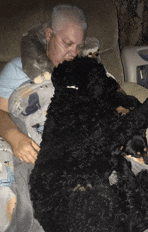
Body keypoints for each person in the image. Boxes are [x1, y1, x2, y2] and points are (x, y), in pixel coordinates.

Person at [0, 4, 87, 164]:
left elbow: (115, 99)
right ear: (49, 35)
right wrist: (15, 138)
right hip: (34, 152)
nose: (74, 53)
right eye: (67, 43)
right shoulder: (18, 68)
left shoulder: (88, 69)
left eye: (79, 47)